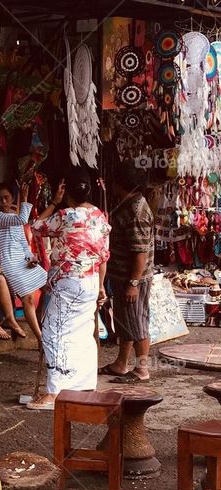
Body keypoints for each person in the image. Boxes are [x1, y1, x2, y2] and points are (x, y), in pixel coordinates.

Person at [27, 172, 110, 410]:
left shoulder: (64, 216)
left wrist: (54, 202)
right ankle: (84, 385)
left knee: (55, 333)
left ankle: (54, 392)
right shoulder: (99, 216)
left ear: (68, 193)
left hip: (69, 282)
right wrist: (102, 285)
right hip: (91, 280)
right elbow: (103, 256)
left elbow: (36, 227)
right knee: (83, 332)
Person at [102, 161, 155, 382]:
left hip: (133, 278)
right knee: (126, 320)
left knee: (137, 321)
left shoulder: (137, 211)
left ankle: (142, 368)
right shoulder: (128, 204)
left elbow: (140, 253)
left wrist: (133, 283)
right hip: (124, 275)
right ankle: (121, 363)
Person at [0, 181, 48, 342]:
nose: (3, 202)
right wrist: (25, 198)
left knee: (50, 286)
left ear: (12, 199)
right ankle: (40, 338)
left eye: (6, 198)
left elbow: (23, 243)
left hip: (21, 260)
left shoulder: (13, 217)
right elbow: (22, 220)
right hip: (5, 262)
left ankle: (43, 325)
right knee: (28, 298)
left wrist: (31, 258)